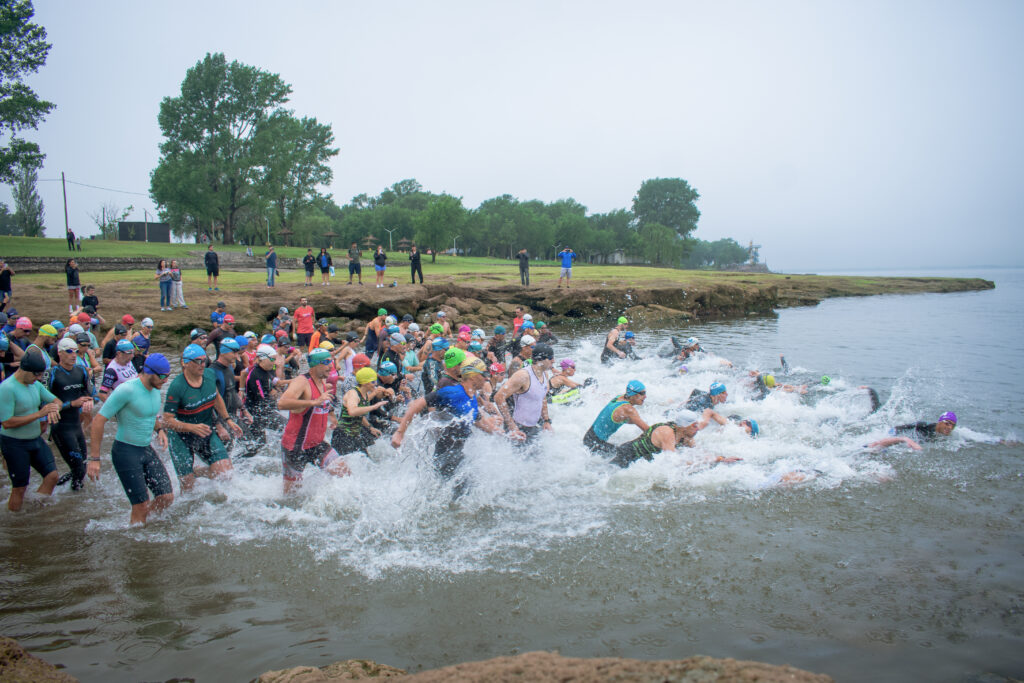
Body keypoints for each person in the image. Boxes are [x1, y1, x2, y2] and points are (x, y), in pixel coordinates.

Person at [88, 354, 173, 525]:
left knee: (166, 496)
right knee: (140, 504)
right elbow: (98, 421)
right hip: (126, 451)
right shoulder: (126, 390)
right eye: (163, 377)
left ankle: (143, 522)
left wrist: (160, 430)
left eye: (168, 377)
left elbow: (150, 414)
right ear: (149, 372)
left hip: (145, 448)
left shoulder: (155, 390)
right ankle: (138, 540)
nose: (165, 381)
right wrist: (95, 459)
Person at [392, 358, 503, 484]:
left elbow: (481, 423)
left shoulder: (471, 398)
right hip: (444, 455)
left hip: (458, 453)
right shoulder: (452, 392)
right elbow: (416, 405)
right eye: (484, 374)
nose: (487, 378)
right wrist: (400, 433)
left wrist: (504, 434)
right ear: (473, 376)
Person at [162, 344, 241, 492]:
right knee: (188, 488)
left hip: (205, 431)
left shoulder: (210, 375)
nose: (202, 365)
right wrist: (191, 427)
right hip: (181, 437)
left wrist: (227, 420)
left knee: (225, 473)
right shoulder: (177, 386)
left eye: (204, 361)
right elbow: (166, 421)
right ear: (185, 363)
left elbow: (216, 397)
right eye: (197, 361)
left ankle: (199, 472)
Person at [277, 348, 350, 491]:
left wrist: (332, 417)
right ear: (316, 364)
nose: (331, 366)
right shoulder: (301, 382)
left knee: (345, 473)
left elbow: (322, 403)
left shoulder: (321, 381)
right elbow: (282, 403)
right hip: (295, 446)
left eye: (332, 361)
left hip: (316, 443)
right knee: (292, 495)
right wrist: (313, 402)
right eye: (327, 362)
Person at [0, 353, 62, 510]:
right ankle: (15, 523)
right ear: (25, 370)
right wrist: (40, 414)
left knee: (52, 476)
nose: (40, 378)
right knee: (20, 487)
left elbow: (56, 400)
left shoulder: (35, 384)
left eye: (42, 374)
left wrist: (55, 409)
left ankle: (35, 510)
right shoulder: (7, 388)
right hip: (14, 443)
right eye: (37, 374)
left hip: (35, 440)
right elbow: (7, 422)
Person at [48, 337, 94, 490]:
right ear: (60, 353)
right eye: (69, 351)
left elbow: (88, 392)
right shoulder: (52, 374)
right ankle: (73, 502)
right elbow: (44, 404)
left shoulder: (81, 371)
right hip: (61, 428)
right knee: (79, 469)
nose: (74, 355)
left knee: (82, 466)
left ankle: (60, 491)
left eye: (75, 351)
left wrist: (88, 400)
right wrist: (72, 404)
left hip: (76, 427)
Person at [611, 420, 740, 469]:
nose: (697, 428)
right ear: (683, 426)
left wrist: (721, 459)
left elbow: (699, 453)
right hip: (627, 455)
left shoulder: (686, 437)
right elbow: (673, 461)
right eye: (694, 425)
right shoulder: (667, 433)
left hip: (638, 462)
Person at [495, 342, 553, 442]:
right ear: (541, 359)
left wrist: (547, 420)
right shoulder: (523, 376)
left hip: (534, 426)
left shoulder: (545, 374)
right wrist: (512, 426)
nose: (554, 360)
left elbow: (542, 397)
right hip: (519, 427)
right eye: (551, 358)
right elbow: (498, 397)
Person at [241, 344, 288, 457]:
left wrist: (296, 381)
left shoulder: (268, 369)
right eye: (272, 359)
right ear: (262, 358)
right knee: (286, 428)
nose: (274, 362)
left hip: (263, 411)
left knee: (260, 445)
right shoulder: (256, 375)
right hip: (255, 415)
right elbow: (263, 399)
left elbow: (276, 382)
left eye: (275, 358)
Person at [582, 380, 650, 456]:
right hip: (595, 443)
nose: (645, 396)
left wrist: (638, 421)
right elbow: (648, 431)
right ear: (633, 394)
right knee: (624, 455)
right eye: (642, 393)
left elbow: (619, 418)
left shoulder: (619, 398)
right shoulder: (628, 409)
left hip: (589, 437)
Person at [333, 366, 388, 456]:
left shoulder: (364, 394)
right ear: (365, 383)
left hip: (354, 435)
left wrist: (370, 428)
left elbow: (360, 412)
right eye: (373, 382)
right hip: (343, 436)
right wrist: (374, 407)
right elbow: (353, 411)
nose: (376, 383)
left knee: (367, 462)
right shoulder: (353, 393)